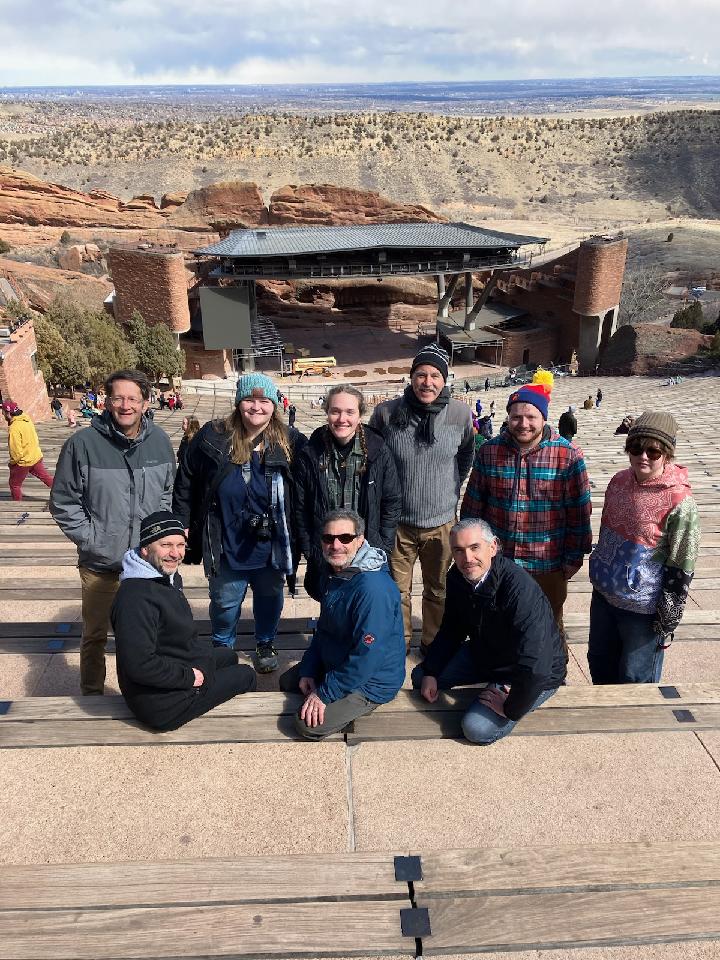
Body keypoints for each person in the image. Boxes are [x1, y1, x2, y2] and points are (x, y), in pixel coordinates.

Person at [50, 369, 176, 695]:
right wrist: (94, 539)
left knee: (147, 632)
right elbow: (63, 502)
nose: (125, 405)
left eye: (133, 398)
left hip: (147, 564)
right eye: (117, 397)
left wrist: (157, 542)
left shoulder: (160, 442)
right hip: (100, 562)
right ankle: (92, 692)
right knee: (95, 634)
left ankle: (144, 691)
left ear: (146, 403)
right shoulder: (82, 444)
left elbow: (167, 493)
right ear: (106, 400)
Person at [172, 372, 304, 674]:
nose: (256, 407)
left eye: (264, 400)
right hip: (225, 539)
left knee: (270, 599)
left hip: (272, 545)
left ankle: (265, 642)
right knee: (225, 602)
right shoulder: (213, 435)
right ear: (237, 402)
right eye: (249, 399)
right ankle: (223, 645)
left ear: (274, 405)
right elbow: (186, 479)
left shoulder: (290, 440)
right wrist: (182, 520)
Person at [411, 519, 565, 744]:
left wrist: (511, 708)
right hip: (486, 653)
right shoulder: (457, 577)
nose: (467, 559)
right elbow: (451, 628)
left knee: (476, 729)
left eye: (475, 548)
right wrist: (432, 671)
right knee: (421, 677)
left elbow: (536, 663)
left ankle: (523, 697)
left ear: (493, 547)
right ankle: (489, 687)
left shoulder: (519, 589)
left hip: (524, 669)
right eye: (459, 551)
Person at [461, 382, 592, 639]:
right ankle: (500, 675)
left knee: (548, 627)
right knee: (499, 623)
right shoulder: (489, 451)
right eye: (516, 417)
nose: (523, 424)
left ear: (543, 417)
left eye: (531, 417)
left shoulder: (568, 455)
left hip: (548, 564)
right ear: (508, 417)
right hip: (499, 561)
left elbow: (579, 513)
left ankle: (553, 676)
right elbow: (473, 508)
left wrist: (573, 558)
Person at [369, 344, 474, 653]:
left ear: (445, 380)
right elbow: (374, 455)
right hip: (398, 523)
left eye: (434, 375)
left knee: (439, 589)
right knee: (396, 591)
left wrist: (450, 488)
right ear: (411, 378)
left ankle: (432, 643)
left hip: (441, 522)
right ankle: (398, 644)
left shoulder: (460, 413)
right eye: (421, 374)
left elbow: (466, 453)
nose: (427, 382)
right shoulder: (387, 413)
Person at [111, 511, 256, 731]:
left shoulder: (163, 577)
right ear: (145, 549)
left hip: (175, 663)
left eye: (180, 545)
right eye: (166, 545)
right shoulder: (135, 599)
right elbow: (139, 665)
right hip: (161, 704)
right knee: (247, 675)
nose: (175, 554)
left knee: (228, 655)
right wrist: (189, 677)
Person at [588, 412, 699, 684]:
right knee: (600, 663)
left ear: (667, 455)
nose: (644, 456)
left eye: (654, 450)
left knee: (635, 677)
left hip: (643, 609)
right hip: (604, 595)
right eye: (637, 448)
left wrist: (668, 617)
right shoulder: (617, 482)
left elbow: (682, 563)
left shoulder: (680, 501)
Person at [279, 509, 405, 740]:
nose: (336, 545)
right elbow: (324, 630)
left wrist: (325, 693)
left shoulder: (372, 589)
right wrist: (308, 668)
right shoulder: (334, 573)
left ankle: (354, 702)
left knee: (305, 725)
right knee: (289, 681)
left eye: (345, 538)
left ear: (360, 540)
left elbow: (368, 655)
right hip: (339, 659)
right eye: (329, 538)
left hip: (371, 680)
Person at [294, 385, 401, 600]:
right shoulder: (310, 453)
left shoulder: (379, 450)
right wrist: (312, 550)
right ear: (327, 413)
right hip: (327, 550)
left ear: (360, 415)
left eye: (350, 412)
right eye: (335, 411)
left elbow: (391, 502)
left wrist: (384, 545)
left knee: (366, 607)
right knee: (331, 608)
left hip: (366, 549)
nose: (342, 419)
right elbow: (299, 507)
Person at [2, 401, 54, 501]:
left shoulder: (14, 428)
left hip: (23, 462)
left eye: (3, 412)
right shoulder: (26, 419)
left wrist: (12, 463)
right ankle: (64, 493)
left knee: (14, 485)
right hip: (35, 456)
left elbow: (16, 452)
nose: (2, 414)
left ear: (8, 413)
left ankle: (17, 507)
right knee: (46, 478)